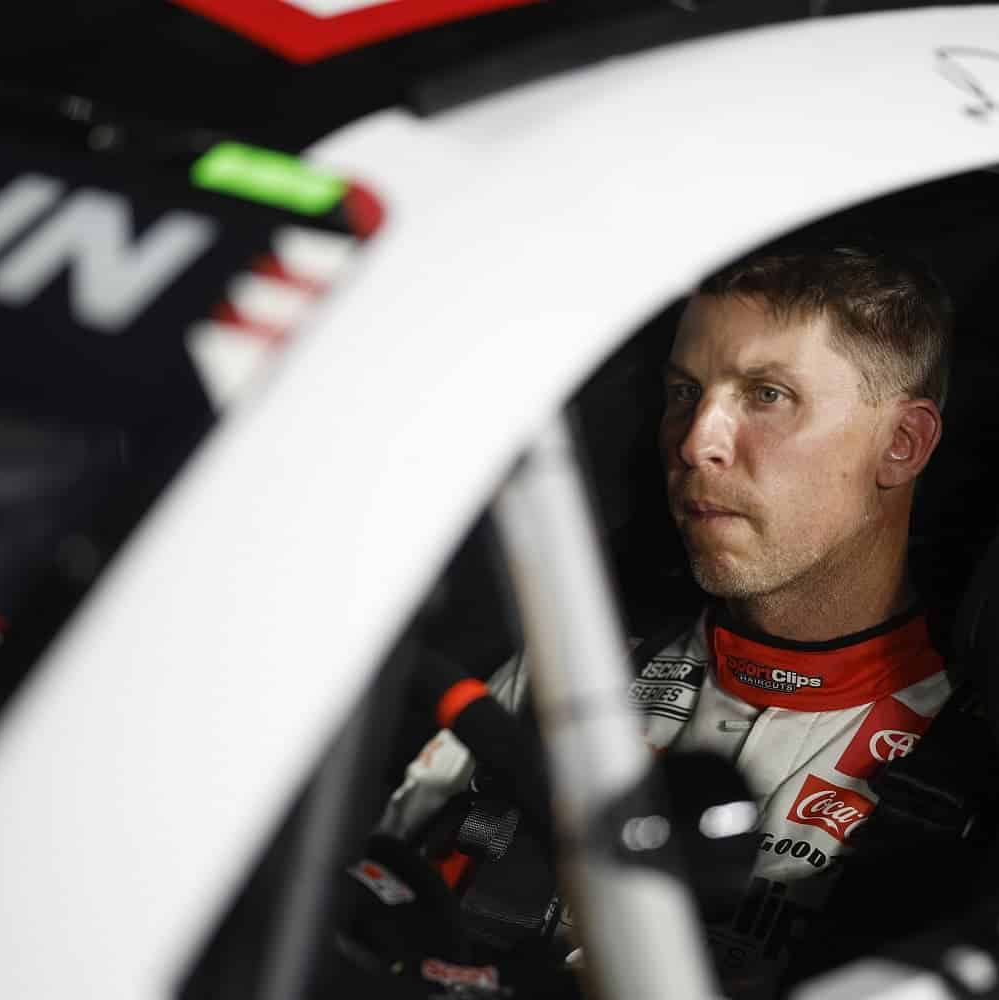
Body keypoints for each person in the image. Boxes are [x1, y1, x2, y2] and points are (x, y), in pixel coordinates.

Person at [377, 247, 955, 991]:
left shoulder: (972, 771)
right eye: (684, 393)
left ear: (901, 444)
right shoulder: (569, 669)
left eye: (768, 395)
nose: (694, 441)